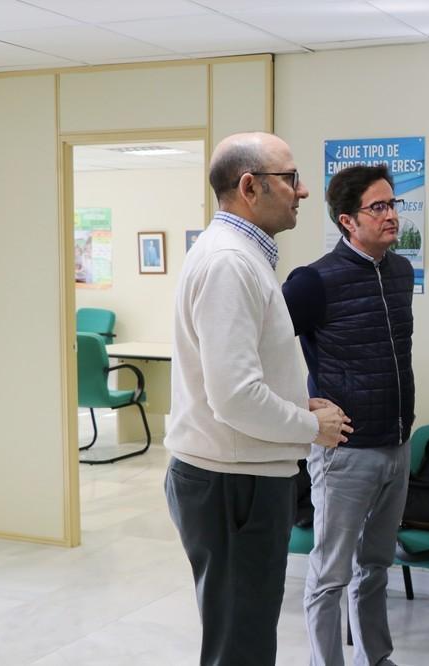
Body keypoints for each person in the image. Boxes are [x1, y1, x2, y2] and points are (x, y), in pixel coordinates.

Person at [164, 132, 352, 666]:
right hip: (233, 484)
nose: (303, 191)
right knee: (240, 644)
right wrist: (310, 426)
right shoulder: (230, 262)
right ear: (250, 187)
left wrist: (295, 402)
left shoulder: (239, 256)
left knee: (242, 634)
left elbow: (240, 378)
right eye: (290, 178)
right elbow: (235, 397)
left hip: (238, 475)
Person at [283, 164, 415, 666]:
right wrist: (299, 405)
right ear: (347, 220)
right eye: (377, 207)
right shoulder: (314, 281)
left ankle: (375, 659)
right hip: (344, 454)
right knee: (330, 575)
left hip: (396, 445)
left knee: (376, 566)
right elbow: (260, 347)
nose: (391, 215)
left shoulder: (399, 272)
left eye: (392, 204)